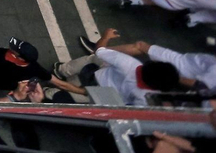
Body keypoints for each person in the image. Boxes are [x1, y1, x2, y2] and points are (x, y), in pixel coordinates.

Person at [53, 29, 183, 106]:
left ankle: (62, 70)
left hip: (94, 75)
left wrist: (106, 36)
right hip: (102, 96)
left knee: (94, 58)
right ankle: (49, 93)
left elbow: (100, 50)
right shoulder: (146, 96)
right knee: (73, 96)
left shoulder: (130, 64)